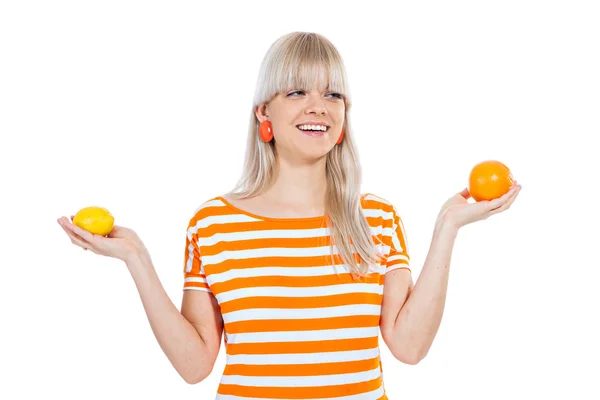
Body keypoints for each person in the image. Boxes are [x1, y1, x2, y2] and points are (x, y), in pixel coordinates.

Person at [57, 31, 521, 400]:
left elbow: (409, 347)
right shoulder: (213, 224)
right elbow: (195, 366)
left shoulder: (375, 218)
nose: (318, 105)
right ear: (264, 112)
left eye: (333, 94)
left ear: (343, 118)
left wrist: (447, 228)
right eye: (297, 90)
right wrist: (136, 257)